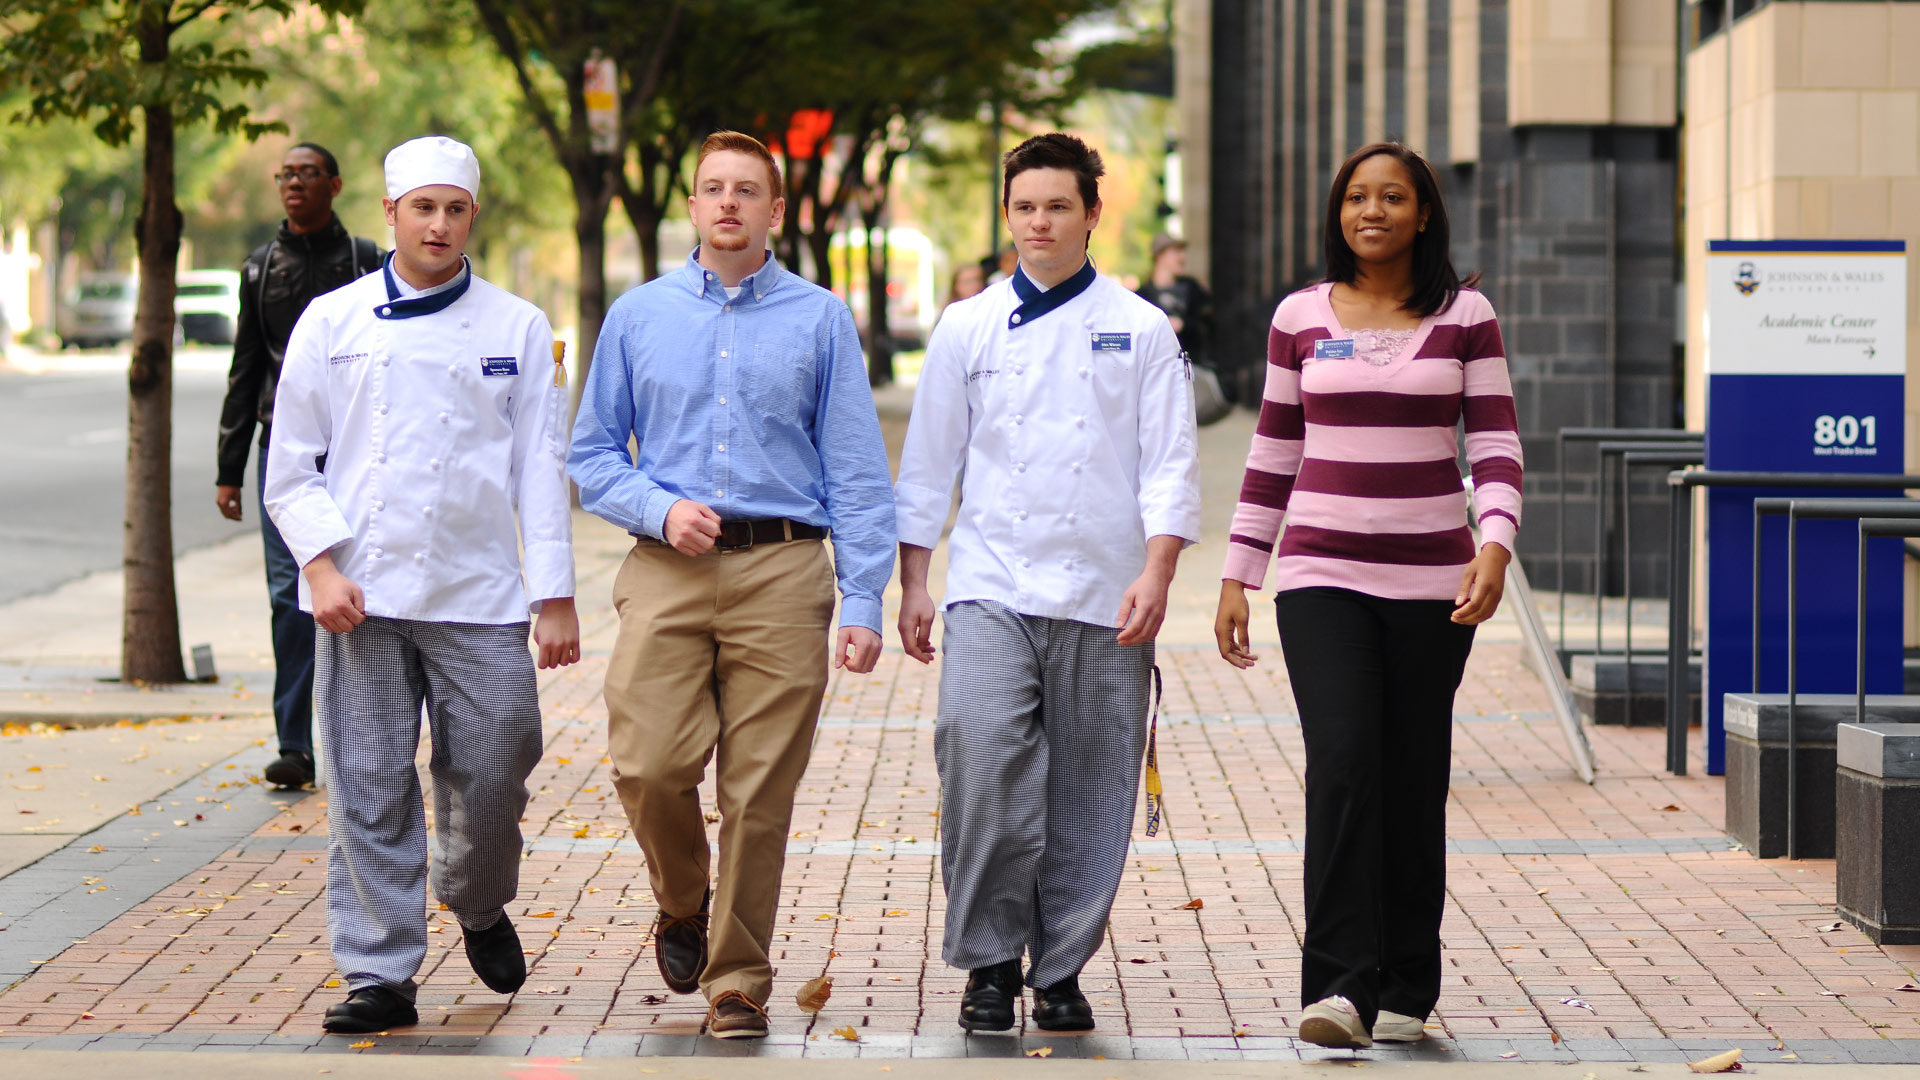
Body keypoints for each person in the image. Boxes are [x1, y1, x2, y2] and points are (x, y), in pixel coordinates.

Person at [569, 130, 896, 1041]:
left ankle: (736, 980)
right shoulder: (638, 316)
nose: (727, 204)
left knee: (759, 793)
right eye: (712, 188)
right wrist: (659, 507)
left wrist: (864, 598)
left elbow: (858, 469)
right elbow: (592, 456)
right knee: (649, 765)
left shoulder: (821, 318)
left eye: (746, 190)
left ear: (775, 211)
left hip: (785, 574)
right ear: (691, 207)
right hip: (667, 570)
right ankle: (683, 900)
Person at [264, 135, 580, 1034]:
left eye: (454, 208)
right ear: (391, 214)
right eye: (422, 208)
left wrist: (552, 592)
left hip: (479, 594)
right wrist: (320, 567)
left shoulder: (519, 325)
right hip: (358, 598)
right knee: (367, 783)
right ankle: (380, 972)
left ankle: (476, 899)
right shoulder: (332, 320)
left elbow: (536, 465)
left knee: (501, 756)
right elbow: (290, 466)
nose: (438, 224)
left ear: (472, 216)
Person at [1213, 142, 1522, 1049]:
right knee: (1346, 762)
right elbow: (1273, 451)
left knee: (1411, 775)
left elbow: (1496, 443)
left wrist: (1495, 544)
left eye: (1393, 197)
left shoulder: (1467, 315)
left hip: (1435, 583)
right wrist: (1239, 571)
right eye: (1356, 197)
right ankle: (1341, 986)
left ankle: (1405, 984)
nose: (1372, 210)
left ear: (1424, 213)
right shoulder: (1300, 317)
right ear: (1337, 213)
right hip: (1321, 579)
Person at [895, 132, 1202, 1033]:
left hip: (1108, 592)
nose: (1040, 221)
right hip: (989, 583)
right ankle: (990, 961)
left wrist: (1158, 568)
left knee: (1091, 785)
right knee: (980, 754)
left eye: (1059, 205)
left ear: (1093, 213)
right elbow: (928, 464)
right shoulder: (967, 325)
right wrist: (914, 581)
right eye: (1025, 206)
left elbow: (1171, 465)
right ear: (1007, 215)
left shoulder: (1142, 327)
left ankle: (1060, 966)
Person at [215, 142, 382, 790]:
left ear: (334, 185)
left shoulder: (367, 262)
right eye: (286, 174)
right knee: (291, 596)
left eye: (307, 174)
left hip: (358, 448)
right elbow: (245, 368)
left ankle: (361, 733)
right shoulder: (261, 268)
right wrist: (230, 468)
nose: (294, 184)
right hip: (284, 451)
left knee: (360, 585)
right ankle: (295, 744)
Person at [1135, 233, 1213, 367]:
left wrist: (1183, 325)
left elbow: (1208, 322)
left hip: (1192, 367)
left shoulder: (1191, 288)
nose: (1182, 257)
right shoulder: (1142, 295)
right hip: (1157, 368)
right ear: (1160, 256)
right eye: (1176, 251)